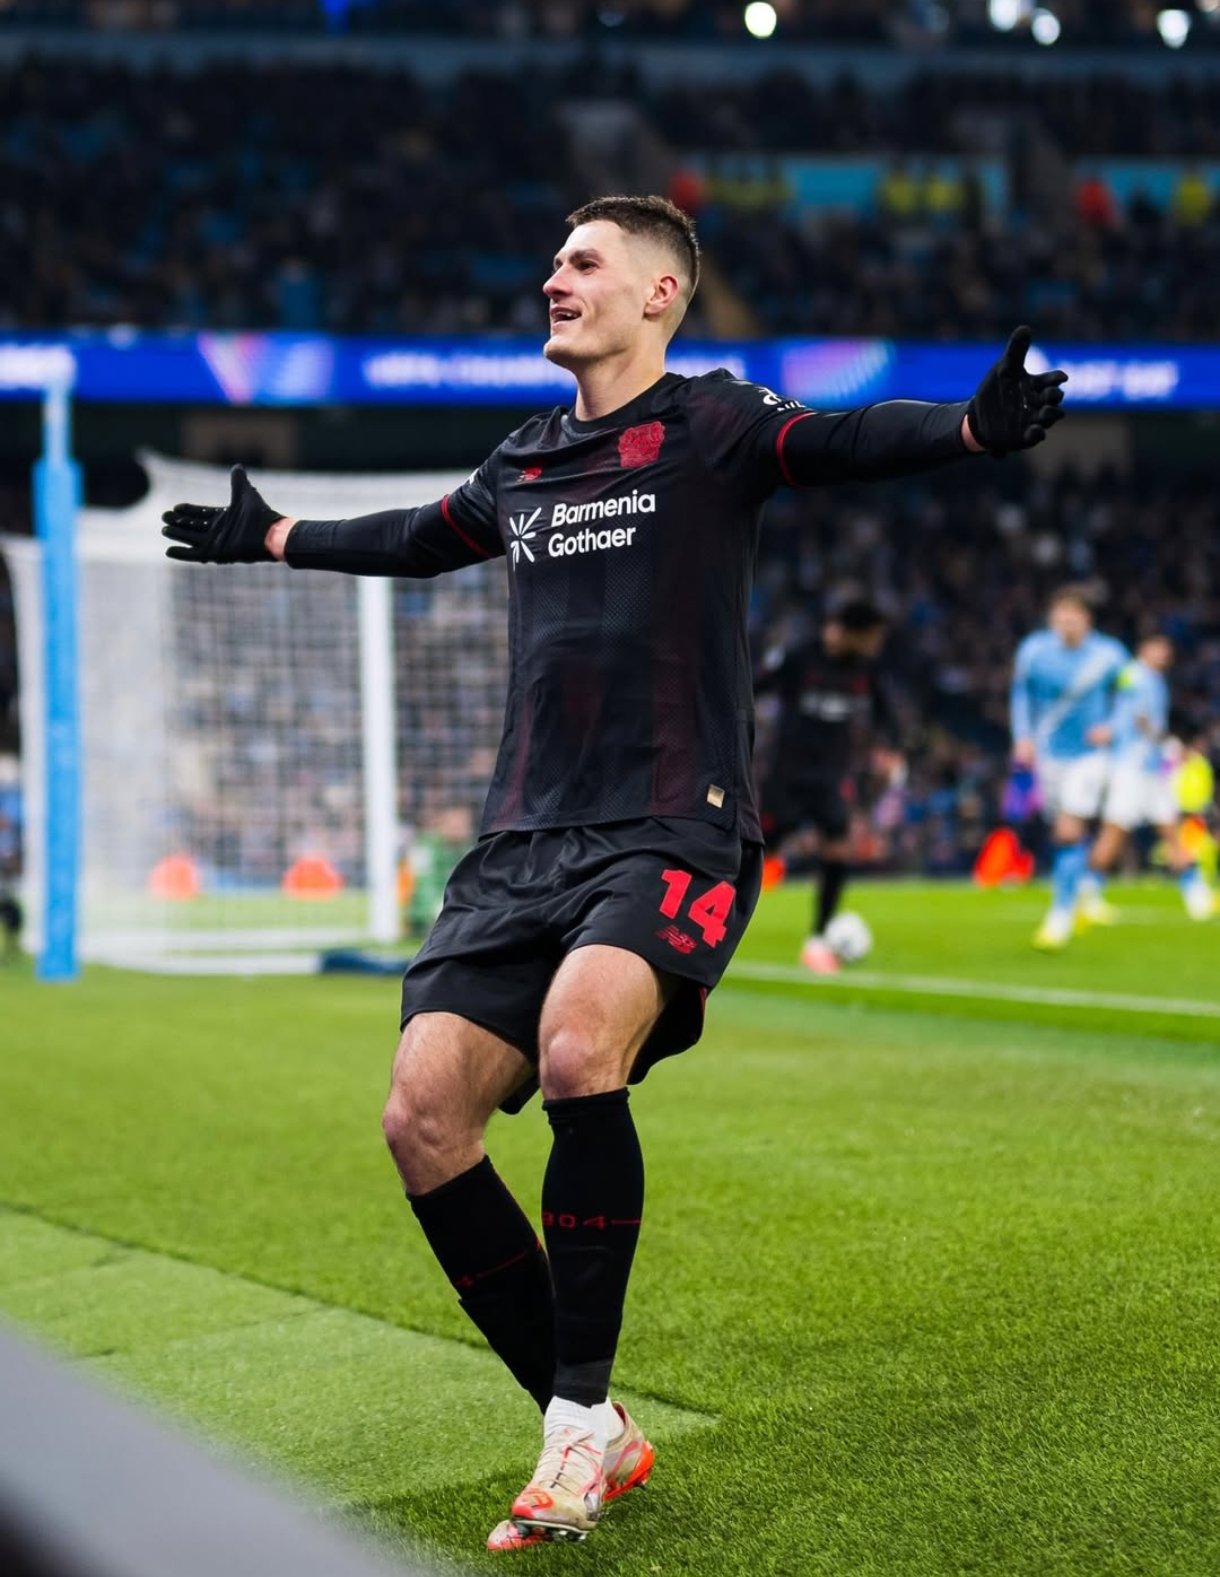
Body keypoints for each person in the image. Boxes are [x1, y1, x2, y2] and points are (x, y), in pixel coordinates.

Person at [162, 194, 1066, 1551]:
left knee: (581, 1046)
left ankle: (575, 1422)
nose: (553, 276)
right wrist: (274, 533)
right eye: (553, 259)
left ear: (658, 294)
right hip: (519, 842)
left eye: (582, 261)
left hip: (667, 826)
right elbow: (418, 536)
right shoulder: (524, 459)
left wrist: (972, 429)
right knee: (420, 1117)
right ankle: (587, 1418)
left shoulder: (713, 424)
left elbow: (835, 442)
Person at [755, 595, 900, 973]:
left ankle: (818, 938)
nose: (876, 645)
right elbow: (756, 685)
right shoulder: (800, 657)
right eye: (872, 637)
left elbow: (886, 713)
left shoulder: (865, 669)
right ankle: (714, 920)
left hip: (831, 776)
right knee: (758, 854)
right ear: (853, 633)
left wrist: (888, 749)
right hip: (788, 775)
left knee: (837, 847)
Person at [1009, 586, 1127, 950]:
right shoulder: (1033, 651)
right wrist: (1022, 736)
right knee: (1064, 832)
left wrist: (1113, 726)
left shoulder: (1110, 655)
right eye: (1060, 616)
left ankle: (1060, 915)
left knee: (1068, 829)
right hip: (1049, 754)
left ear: (1087, 620)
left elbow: (1131, 696)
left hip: (1090, 755)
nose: (1066, 622)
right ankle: (1084, 888)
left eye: (1073, 616)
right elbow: (1020, 695)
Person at [1083, 634, 1216, 922]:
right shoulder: (1133, 675)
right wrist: (1171, 746)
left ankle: (1196, 894)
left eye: (1166, 649)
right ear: (1144, 648)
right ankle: (1088, 894)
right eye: (1158, 648)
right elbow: (1136, 717)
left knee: (1170, 828)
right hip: (1131, 766)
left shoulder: (1155, 679)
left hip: (1151, 768)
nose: (1163, 654)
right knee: (1115, 831)